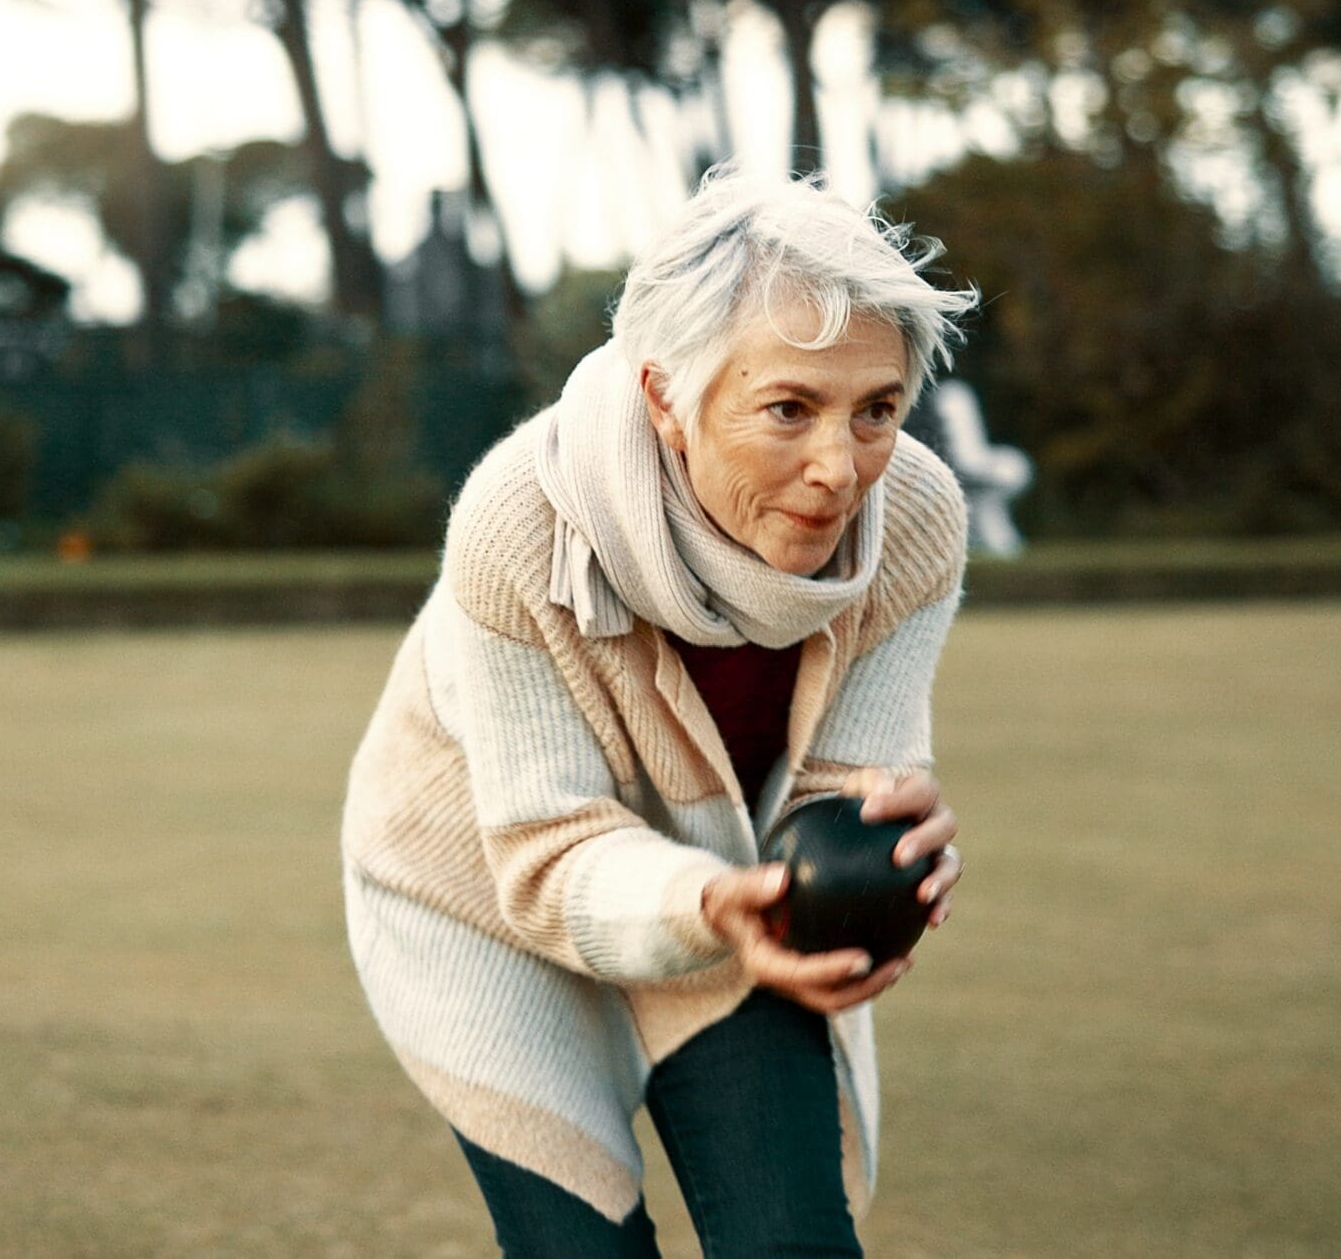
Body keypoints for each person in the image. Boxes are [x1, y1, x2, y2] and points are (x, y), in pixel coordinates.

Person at [340, 167, 977, 1257]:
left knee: (790, 1242)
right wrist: (708, 899)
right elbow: (544, 854)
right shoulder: (519, 524)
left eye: (875, 410)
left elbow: (837, 789)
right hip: (480, 899)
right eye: (788, 408)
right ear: (664, 397)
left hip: (738, 882)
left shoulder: (911, 516)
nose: (841, 469)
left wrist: (880, 845)